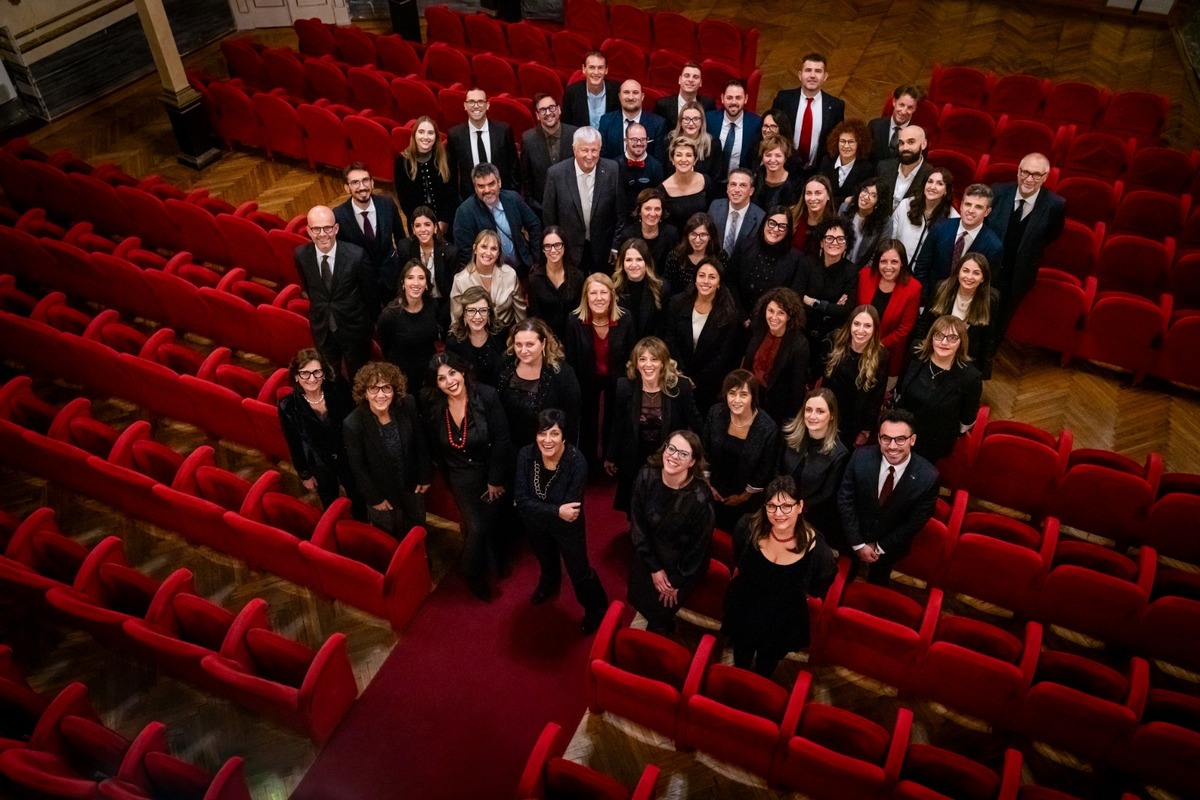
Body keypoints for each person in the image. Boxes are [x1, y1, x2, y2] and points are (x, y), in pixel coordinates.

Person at [722, 475, 837, 677]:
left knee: (766, 667)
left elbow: (819, 585)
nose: (778, 514)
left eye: (786, 506)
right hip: (744, 606)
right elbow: (740, 558)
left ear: (800, 506)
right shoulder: (747, 527)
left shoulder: (819, 551)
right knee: (740, 658)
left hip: (782, 620)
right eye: (772, 506)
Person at [422, 352, 512, 601]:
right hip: (460, 476)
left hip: (490, 470)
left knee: (493, 522)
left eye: (452, 373)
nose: (449, 381)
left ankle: (498, 561)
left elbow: (502, 439)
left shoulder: (486, 395)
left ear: (462, 371)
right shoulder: (434, 406)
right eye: (441, 378)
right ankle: (471, 571)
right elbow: (435, 447)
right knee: (477, 527)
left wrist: (495, 479)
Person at [516, 408, 609, 634]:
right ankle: (550, 583)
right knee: (546, 560)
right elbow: (521, 499)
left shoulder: (577, 462)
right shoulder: (526, 455)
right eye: (542, 433)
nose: (547, 440)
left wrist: (535, 507)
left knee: (579, 571)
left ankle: (597, 610)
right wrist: (557, 510)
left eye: (554, 434)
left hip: (567, 528)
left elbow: (571, 512)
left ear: (564, 436)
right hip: (537, 523)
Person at [837, 409, 939, 585]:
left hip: (889, 548)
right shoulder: (860, 457)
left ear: (912, 440)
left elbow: (914, 522)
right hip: (852, 539)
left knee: (878, 582)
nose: (892, 446)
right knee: (842, 581)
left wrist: (879, 547)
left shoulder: (928, 477)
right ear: (878, 438)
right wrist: (858, 544)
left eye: (900, 439)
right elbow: (845, 500)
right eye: (886, 438)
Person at [627, 431, 715, 636]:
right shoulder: (647, 475)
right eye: (671, 448)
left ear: (692, 461)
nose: (674, 456)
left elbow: (699, 547)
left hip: (682, 564)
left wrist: (676, 581)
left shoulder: (700, 497)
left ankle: (661, 632)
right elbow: (638, 523)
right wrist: (654, 568)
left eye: (683, 454)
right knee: (641, 599)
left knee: (662, 611)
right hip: (649, 553)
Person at [605, 336, 702, 514]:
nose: (648, 365)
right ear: (636, 363)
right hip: (635, 454)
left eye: (654, 359)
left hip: (667, 455)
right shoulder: (625, 386)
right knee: (635, 505)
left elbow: (695, 422)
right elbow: (618, 424)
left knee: (665, 507)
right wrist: (611, 455)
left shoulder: (680, 387)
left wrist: (700, 457)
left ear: (663, 363)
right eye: (642, 359)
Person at [343, 361, 430, 538]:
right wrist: (375, 498)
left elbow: (420, 441)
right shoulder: (353, 423)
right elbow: (358, 468)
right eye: (374, 389)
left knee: (417, 530)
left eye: (386, 388)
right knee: (389, 536)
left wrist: (424, 475)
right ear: (365, 392)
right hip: (382, 493)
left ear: (394, 390)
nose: (381, 395)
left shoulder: (407, 404)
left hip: (411, 485)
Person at [277, 348, 365, 521]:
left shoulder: (339, 389)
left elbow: (356, 423)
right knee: (330, 506)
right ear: (296, 376)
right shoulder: (288, 406)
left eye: (317, 372)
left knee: (359, 500)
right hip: (320, 465)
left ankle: (361, 528)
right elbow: (294, 443)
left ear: (323, 374)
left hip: (348, 458)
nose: (312, 379)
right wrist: (305, 474)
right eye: (305, 373)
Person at [985, 152, 1068, 330]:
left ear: (1045, 177)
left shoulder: (1055, 205)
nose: (1029, 179)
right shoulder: (998, 192)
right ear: (1018, 171)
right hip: (988, 270)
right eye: (1025, 172)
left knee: (1000, 324)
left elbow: (1052, 235)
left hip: (1018, 276)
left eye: (1036, 175)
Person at [293, 205, 376, 380]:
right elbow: (309, 288)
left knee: (359, 377)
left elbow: (370, 295)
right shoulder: (301, 255)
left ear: (336, 228)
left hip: (354, 329)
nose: (322, 234)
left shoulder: (356, 256)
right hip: (322, 327)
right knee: (331, 376)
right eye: (316, 229)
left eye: (328, 228)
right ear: (309, 231)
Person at [563, 273, 636, 466]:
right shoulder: (574, 320)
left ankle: (611, 461)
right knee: (588, 422)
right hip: (586, 380)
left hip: (617, 381)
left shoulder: (626, 318)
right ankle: (588, 464)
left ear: (612, 295)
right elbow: (571, 359)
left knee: (614, 422)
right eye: (593, 293)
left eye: (603, 292)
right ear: (585, 297)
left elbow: (631, 356)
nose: (598, 298)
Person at [895, 315, 983, 463]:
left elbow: (966, 421)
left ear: (961, 343)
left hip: (932, 443)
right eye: (939, 336)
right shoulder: (916, 353)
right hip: (900, 430)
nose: (944, 342)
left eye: (952, 338)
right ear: (931, 337)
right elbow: (901, 387)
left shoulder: (971, 377)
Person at [702, 370, 781, 532]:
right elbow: (705, 450)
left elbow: (765, 470)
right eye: (732, 393)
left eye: (743, 395)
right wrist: (708, 484)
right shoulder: (715, 413)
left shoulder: (768, 428)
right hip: (712, 489)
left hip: (746, 498)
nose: (736, 400)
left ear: (753, 397)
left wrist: (743, 496)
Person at [664, 257, 743, 411]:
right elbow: (670, 339)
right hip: (676, 375)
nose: (705, 281)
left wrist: (696, 381)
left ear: (719, 283)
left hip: (709, 384)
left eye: (712, 277)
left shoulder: (729, 313)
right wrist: (681, 374)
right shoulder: (677, 303)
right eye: (701, 275)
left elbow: (723, 355)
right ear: (695, 279)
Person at [542, 127, 624, 274]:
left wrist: (615, 246)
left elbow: (620, 214)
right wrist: (556, 248)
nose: (590, 156)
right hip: (569, 251)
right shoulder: (556, 174)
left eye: (594, 150)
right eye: (585, 150)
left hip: (603, 250)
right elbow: (549, 217)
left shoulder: (612, 170)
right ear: (574, 150)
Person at [497, 317, 582, 449]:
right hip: (508, 445)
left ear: (543, 343)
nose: (523, 350)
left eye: (530, 344)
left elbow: (572, 418)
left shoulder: (562, 373)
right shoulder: (505, 364)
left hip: (545, 448)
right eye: (518, 344)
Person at [778, 387, 849, 543]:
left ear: (832, 415)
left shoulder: (839, 453)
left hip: (808, 515)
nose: (812, 416)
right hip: (776, 501)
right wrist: (779, 498)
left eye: (820, 411)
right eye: (808, 410)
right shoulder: (788, 434)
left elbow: (826, 493)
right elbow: (776, 469)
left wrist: (795, 507)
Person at [912, 253, 1001, 379]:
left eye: (976, 273)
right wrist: (918, 349)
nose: (969, 277)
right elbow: (924, 323)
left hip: (965, 359)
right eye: (965, 271)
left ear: (983, 278)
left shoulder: (991, 299)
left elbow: (988, 338)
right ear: (958, 272)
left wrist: (983, 370)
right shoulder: (941, 288)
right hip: (936, 351)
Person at [914, 183, 1004, 306]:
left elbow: (987, 285)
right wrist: (923, 299)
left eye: (978, 207)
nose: (971, 211)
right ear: (961, 205)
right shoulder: (940, 228)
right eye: (968, 204)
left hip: (964, 306)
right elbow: (922, 266)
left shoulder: (993, 246)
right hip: (931, 299)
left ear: (987, 212)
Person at [334, 162, 406, 309]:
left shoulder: (387, 204)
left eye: (365, 180)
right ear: (347, 188)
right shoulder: (338, 215)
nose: (362, 187)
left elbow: (401, 237)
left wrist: (405, 269)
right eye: (355, 182)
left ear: (372, 183)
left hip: (392, 275)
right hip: (362, 282)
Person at [452, 163, 542, 278]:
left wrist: (536, 260)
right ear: (475, 189)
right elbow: (465, 252)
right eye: (481, 186)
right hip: (490, 276)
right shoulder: (465, 212)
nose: (487, 190)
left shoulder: (513, 199)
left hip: (523, 268)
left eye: (491, 184)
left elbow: (534, 224)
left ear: (499, 182)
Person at [823, 306, 889, 447]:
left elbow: (876, 398)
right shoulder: (835, 340)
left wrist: (865, 430)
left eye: (867, 326)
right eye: (857, 324)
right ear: (850, 324)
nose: (860, 330)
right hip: (827, 411)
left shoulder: (881, 356)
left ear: (875, 329)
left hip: (853, 420)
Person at [742, 287, 809, 426]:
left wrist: (788, 421)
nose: (773, 317)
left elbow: (797, 388)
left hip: (777, 408)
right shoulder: (758, 328)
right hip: (751, 398)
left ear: (789, 316)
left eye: (781, 313)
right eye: (770, 311)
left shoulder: (799, 343)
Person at [769, 53, 846, 173]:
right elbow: (771, 130)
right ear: (800, 75)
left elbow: (836, 141)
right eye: (808, 70)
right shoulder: (783, 99)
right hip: (783, 167)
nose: (812, 75)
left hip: (817, 171)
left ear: (825, 76)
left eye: (818, 71)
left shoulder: (836, 106)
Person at [857, 240, 922, 381]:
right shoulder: (865, 275)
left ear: (902, 263)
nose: (888, 267)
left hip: (887, 353)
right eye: (883, 261)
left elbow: (904, 329)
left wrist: (876, 346)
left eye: (894, 262)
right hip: (857, 343)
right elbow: (855, 310)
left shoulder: (913, 288)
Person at [793, 216, 859, 352]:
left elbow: (845, 310)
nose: (834, 242)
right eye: (829, 238)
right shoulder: (806, 263)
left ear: (847, 244)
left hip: (830, 338)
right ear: (822, 243)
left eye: (840, 239)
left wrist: (812, 302)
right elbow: (796, 297)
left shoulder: (851, 271)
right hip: (801, 331)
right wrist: (832, 307)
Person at [446, 88, 520, 199]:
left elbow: (514, 168)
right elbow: (451, 173)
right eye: (471, 102)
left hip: (502, 197)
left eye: (480, 101)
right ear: (465, 106)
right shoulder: (455, 135)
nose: (476, 106)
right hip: (470, 199)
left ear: (487, 105)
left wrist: (511, 197)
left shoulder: (503, 131)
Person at [378, 259, 440, 388]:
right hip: (402, 376)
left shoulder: (432, 305)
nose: (416, 283)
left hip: (429, 373)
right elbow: (385, 346)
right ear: (403, 283)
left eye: (421, 278)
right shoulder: (390, 314)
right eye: (410, 278)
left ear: (426, 284)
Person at [396, 206, 458, 334]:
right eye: (418, 226)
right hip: (416, 301)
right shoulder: (405, 248)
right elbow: (401, 281)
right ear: (413, 229)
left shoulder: (449, 252)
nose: (423, 229)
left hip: (444, 304)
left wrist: (441, 317)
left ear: (435, 228)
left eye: (427, 225)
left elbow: (454, 291)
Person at [394, 116, 458, 237]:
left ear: (436, 137)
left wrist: (444, 220)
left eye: (430, 133)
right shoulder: (402, 161)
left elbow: (452, 192)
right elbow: (404, 199)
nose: (426, 137)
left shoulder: (446, 158)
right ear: (414, 135)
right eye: (421, 132)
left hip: (445, 224)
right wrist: (421, 224)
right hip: (418, 225)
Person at [450, 229, 527, 328]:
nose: (488, 252)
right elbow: (456, 319)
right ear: (475, 249)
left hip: (505, 332)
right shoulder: (460, 280)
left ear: (498, 253)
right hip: (474, 332)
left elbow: (520, 313)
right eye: (484, 247)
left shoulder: (510, 274)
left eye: (493, 249)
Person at [734, 206, 803, 311]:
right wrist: (742, 316)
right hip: (738, 312)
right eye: (772, 223)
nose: (775, 229)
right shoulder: (745, 246)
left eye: (782, 226)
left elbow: (790, 298)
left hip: (772, 317)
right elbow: (731, 282)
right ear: (764, 223)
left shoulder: (795, 259)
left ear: (787, 231)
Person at [521, 93, 578, 217]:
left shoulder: (575, 134)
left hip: (573, 210)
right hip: (541, 210)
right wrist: (537, 206)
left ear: (559, 109)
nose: (548, 113)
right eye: (542, 110)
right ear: (537, 115)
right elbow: (526, 179)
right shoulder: (528, 139)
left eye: (551, 108)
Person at [889, 167, 958, 266]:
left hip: (925, 271)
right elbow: (891, 238)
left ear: (946, 190)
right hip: (898, 265)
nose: (932, 187)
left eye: (939, 184)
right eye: (930, 181)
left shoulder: (953, 218)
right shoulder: (906, 205)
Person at [527, 227, 585, 341]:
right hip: (547, 338)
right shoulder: (534, 280)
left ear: (564, 247)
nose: (553, 250)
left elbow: (581, 312)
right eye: (548, 246)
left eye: (557, 245)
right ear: (543, 250)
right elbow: (535, 317)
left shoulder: (578, 277)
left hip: (574, 337)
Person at [445, 286, 508, 388]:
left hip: (500, 390)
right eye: (471, 310)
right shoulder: (454, 340)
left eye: (483, 310)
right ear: (464, 313)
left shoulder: (501, 332)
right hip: (470, 392)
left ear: (489, 313)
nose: (477, 316)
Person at [597, 80, 668, 164]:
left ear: (642, 96)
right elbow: (602, 159)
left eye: (635, 93)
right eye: (626, 92)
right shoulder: (606, 121)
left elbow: (659, 161)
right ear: (619, 96)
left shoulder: (658, 123)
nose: (630, 97)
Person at [706, 80, 762, 183]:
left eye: (738, 98)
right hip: (712, 182)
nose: (733, 102)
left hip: (740, 184)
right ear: (722, 98)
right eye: (729, 98)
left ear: (746, 99)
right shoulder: (709, 120)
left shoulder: (756, 124)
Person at [612, 237, 666, 340]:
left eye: (639, 259)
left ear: (647, 262)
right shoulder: (613, 288)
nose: (634, 265)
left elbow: (662, 327)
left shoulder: (661, 288)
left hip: (652, 345)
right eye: (628, 260)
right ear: (622, 263)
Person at [662, 212, 724, 298]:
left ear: (710, 237)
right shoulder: (675, 256)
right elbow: (668, 288)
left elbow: (724, 287)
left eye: (703, 235)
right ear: (687, 235)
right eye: (693, 234)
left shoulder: (720, 256)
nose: (697, 240)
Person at [876, 124, 934, 215]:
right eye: (901, 143)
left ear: (923, 144)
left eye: (911, 142)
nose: (905, 148)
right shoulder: (883, 167)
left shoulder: (931, 176)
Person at [709, 168, 765, 261]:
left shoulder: (760, 217)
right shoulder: (715, 207)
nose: (737, 190)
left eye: (743, 185)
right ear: (727, 188)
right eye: (733, 184)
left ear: (751, 191)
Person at [817, 119, 876, 208]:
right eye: (842, 141)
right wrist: (844, 200)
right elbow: (819, 193)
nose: (846, 146)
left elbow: (858, 199)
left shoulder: (866, 169)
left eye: (851, 142)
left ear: (859, 144)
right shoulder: (827, 162)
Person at [614, 188, 678, 269]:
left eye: (657, 209)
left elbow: (674, 265)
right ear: (639, 211)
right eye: (648, 209)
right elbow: (623, 265)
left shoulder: (671, 233)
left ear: (662, 211)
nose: (653, 214)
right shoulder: (628, 235)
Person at [660, 138, 714, 229]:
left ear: (695, 160)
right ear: (672, 159)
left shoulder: (706, 181)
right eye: (679, 155)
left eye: (688, 155)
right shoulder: (662, 190)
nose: (684, 159)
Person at [841, 178, 893, 266]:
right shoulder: (845, 208)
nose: (865, 197)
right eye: (865, 191)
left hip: (863, 268)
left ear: (879, 202)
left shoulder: (885, 222)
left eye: (873, 195)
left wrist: (862, 272)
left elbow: (878, 254)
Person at [561, 50, 620, 129]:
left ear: (606, 70)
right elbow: (566, 126)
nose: (596, 72)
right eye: (592, 67)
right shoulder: (572, 93)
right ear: (584, 69)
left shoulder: (616, 91)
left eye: (600, 67)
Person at [616, 122, 665, 211]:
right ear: (626, 140)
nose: (639, 143)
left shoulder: (656, 166)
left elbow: (658, 199)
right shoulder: (615, 166)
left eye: (643, 139)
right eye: (634, 139)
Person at [867, 85, 923, 163]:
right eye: (901, 105)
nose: (904, 112)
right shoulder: (874, 126)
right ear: (894, 102)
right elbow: (865, 156)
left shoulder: (919, 135)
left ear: (915, 109)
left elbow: (918, 164)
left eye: (910, 107)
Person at [653, 61, 715, 130]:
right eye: (687, 76)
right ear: (679, 80)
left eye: (695, 77)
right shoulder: (662, 105)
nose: (691, 80)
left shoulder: (708, 104)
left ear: (700, 83)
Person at [668, 101, 719, 177]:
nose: (691, 123)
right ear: (680, 121)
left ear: (702, 121)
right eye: (686, 119)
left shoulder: (713, 144)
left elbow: (715, 177)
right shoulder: (669, 141)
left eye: (696, 119)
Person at [753, 134, 803, 211]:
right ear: (762, 157)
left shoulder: (796, 183)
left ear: (785, 158)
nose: (773, 160)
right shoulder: (755, 178)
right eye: (768, 155)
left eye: (778, 156)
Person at [789, 175, 837, 253]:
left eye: (818, 193)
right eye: (808, 193)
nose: (812, 198)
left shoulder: (834, 225)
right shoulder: (792, 216)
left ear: (828, 195)